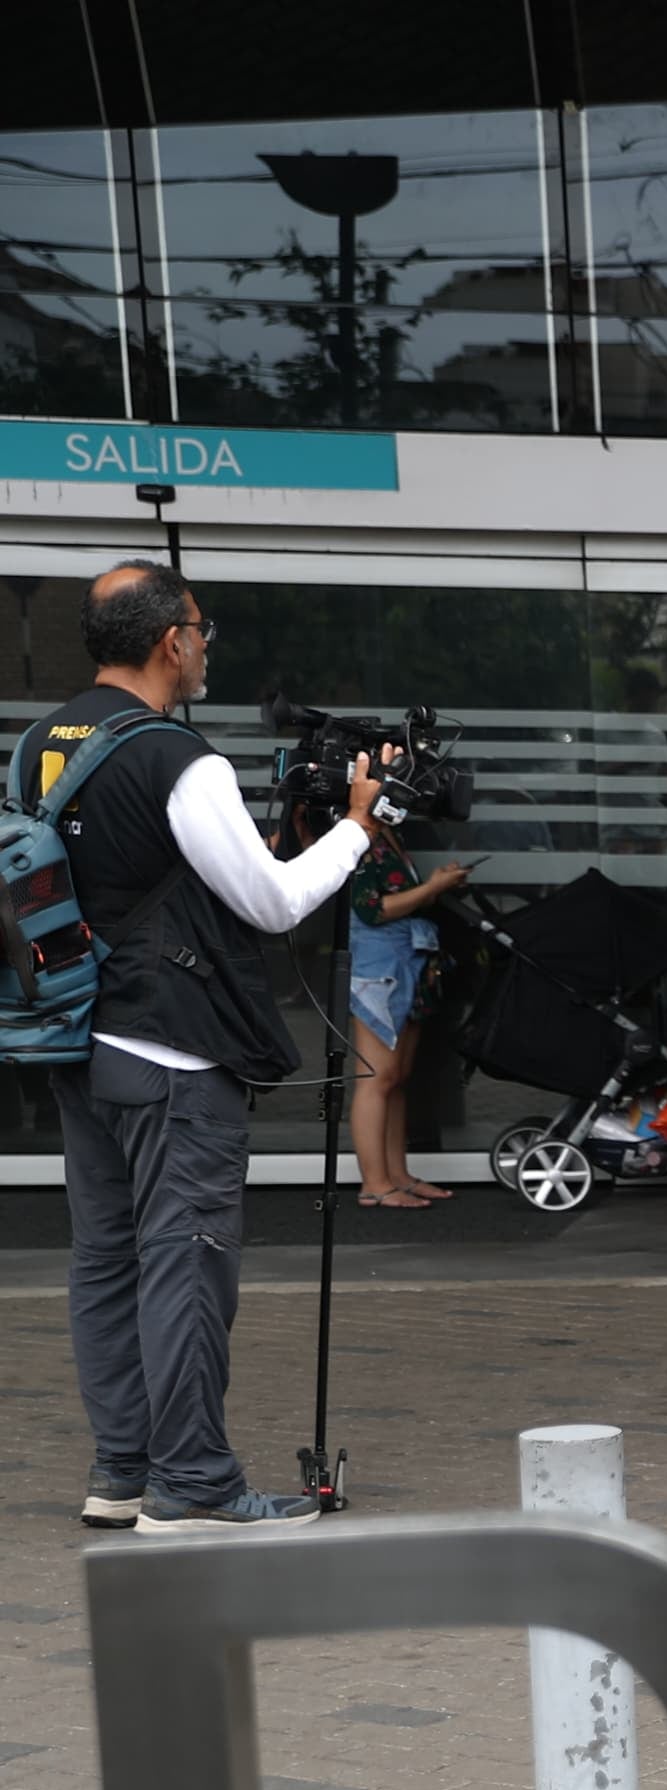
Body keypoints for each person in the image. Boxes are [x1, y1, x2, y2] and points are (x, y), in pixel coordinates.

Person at [34, 560, 392, 1528]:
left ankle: (122, 1471)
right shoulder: (175, 757)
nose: (203, 646)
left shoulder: (42, 740)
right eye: (200, 630)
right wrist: (356, 829)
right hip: (171, 1053)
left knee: (106, 1262)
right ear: (168, 643)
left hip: (76, 1040)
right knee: (184, 1261)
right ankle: (190, 1485)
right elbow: (270, 902)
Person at [327, 808, 469, 1207]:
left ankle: (397, 1175)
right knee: (377, 1077)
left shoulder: (387, 832)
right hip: (378, 967)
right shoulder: (355, 835)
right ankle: (374, 1183)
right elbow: (373, 909)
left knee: (396, 1078)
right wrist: (432, 888)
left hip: (405, 959)